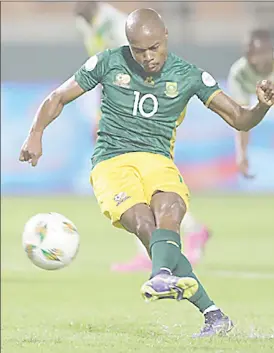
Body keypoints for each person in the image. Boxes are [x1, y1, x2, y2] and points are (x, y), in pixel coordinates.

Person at [19, 8, 274, 337]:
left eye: (154, 47)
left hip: (157, 159)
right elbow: (58, 97)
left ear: (166, 36)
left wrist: (262, 107)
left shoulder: (189, 75)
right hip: (112, 162)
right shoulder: (108, 62)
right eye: (139, 50)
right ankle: (189, 295)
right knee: (145, 224)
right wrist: (36, 133)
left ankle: (203, 308)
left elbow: (240, 118)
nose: (147, 57)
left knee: (171, 210)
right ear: (128, 45)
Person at [75, 2, 210, 273]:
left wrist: (103, 117)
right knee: (139, 184)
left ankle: (168, 242)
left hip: (139, 105)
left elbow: (125, 72)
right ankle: (190, 230)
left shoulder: (115, 25)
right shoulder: (85, 24)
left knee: (138, 183)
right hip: (117, 108)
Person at [228, 29, 274, 178]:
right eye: (258, 53)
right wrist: (242, 154)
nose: (264, 58)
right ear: (249, 56)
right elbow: (242, 117)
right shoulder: (240, 74)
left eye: (266, 52)